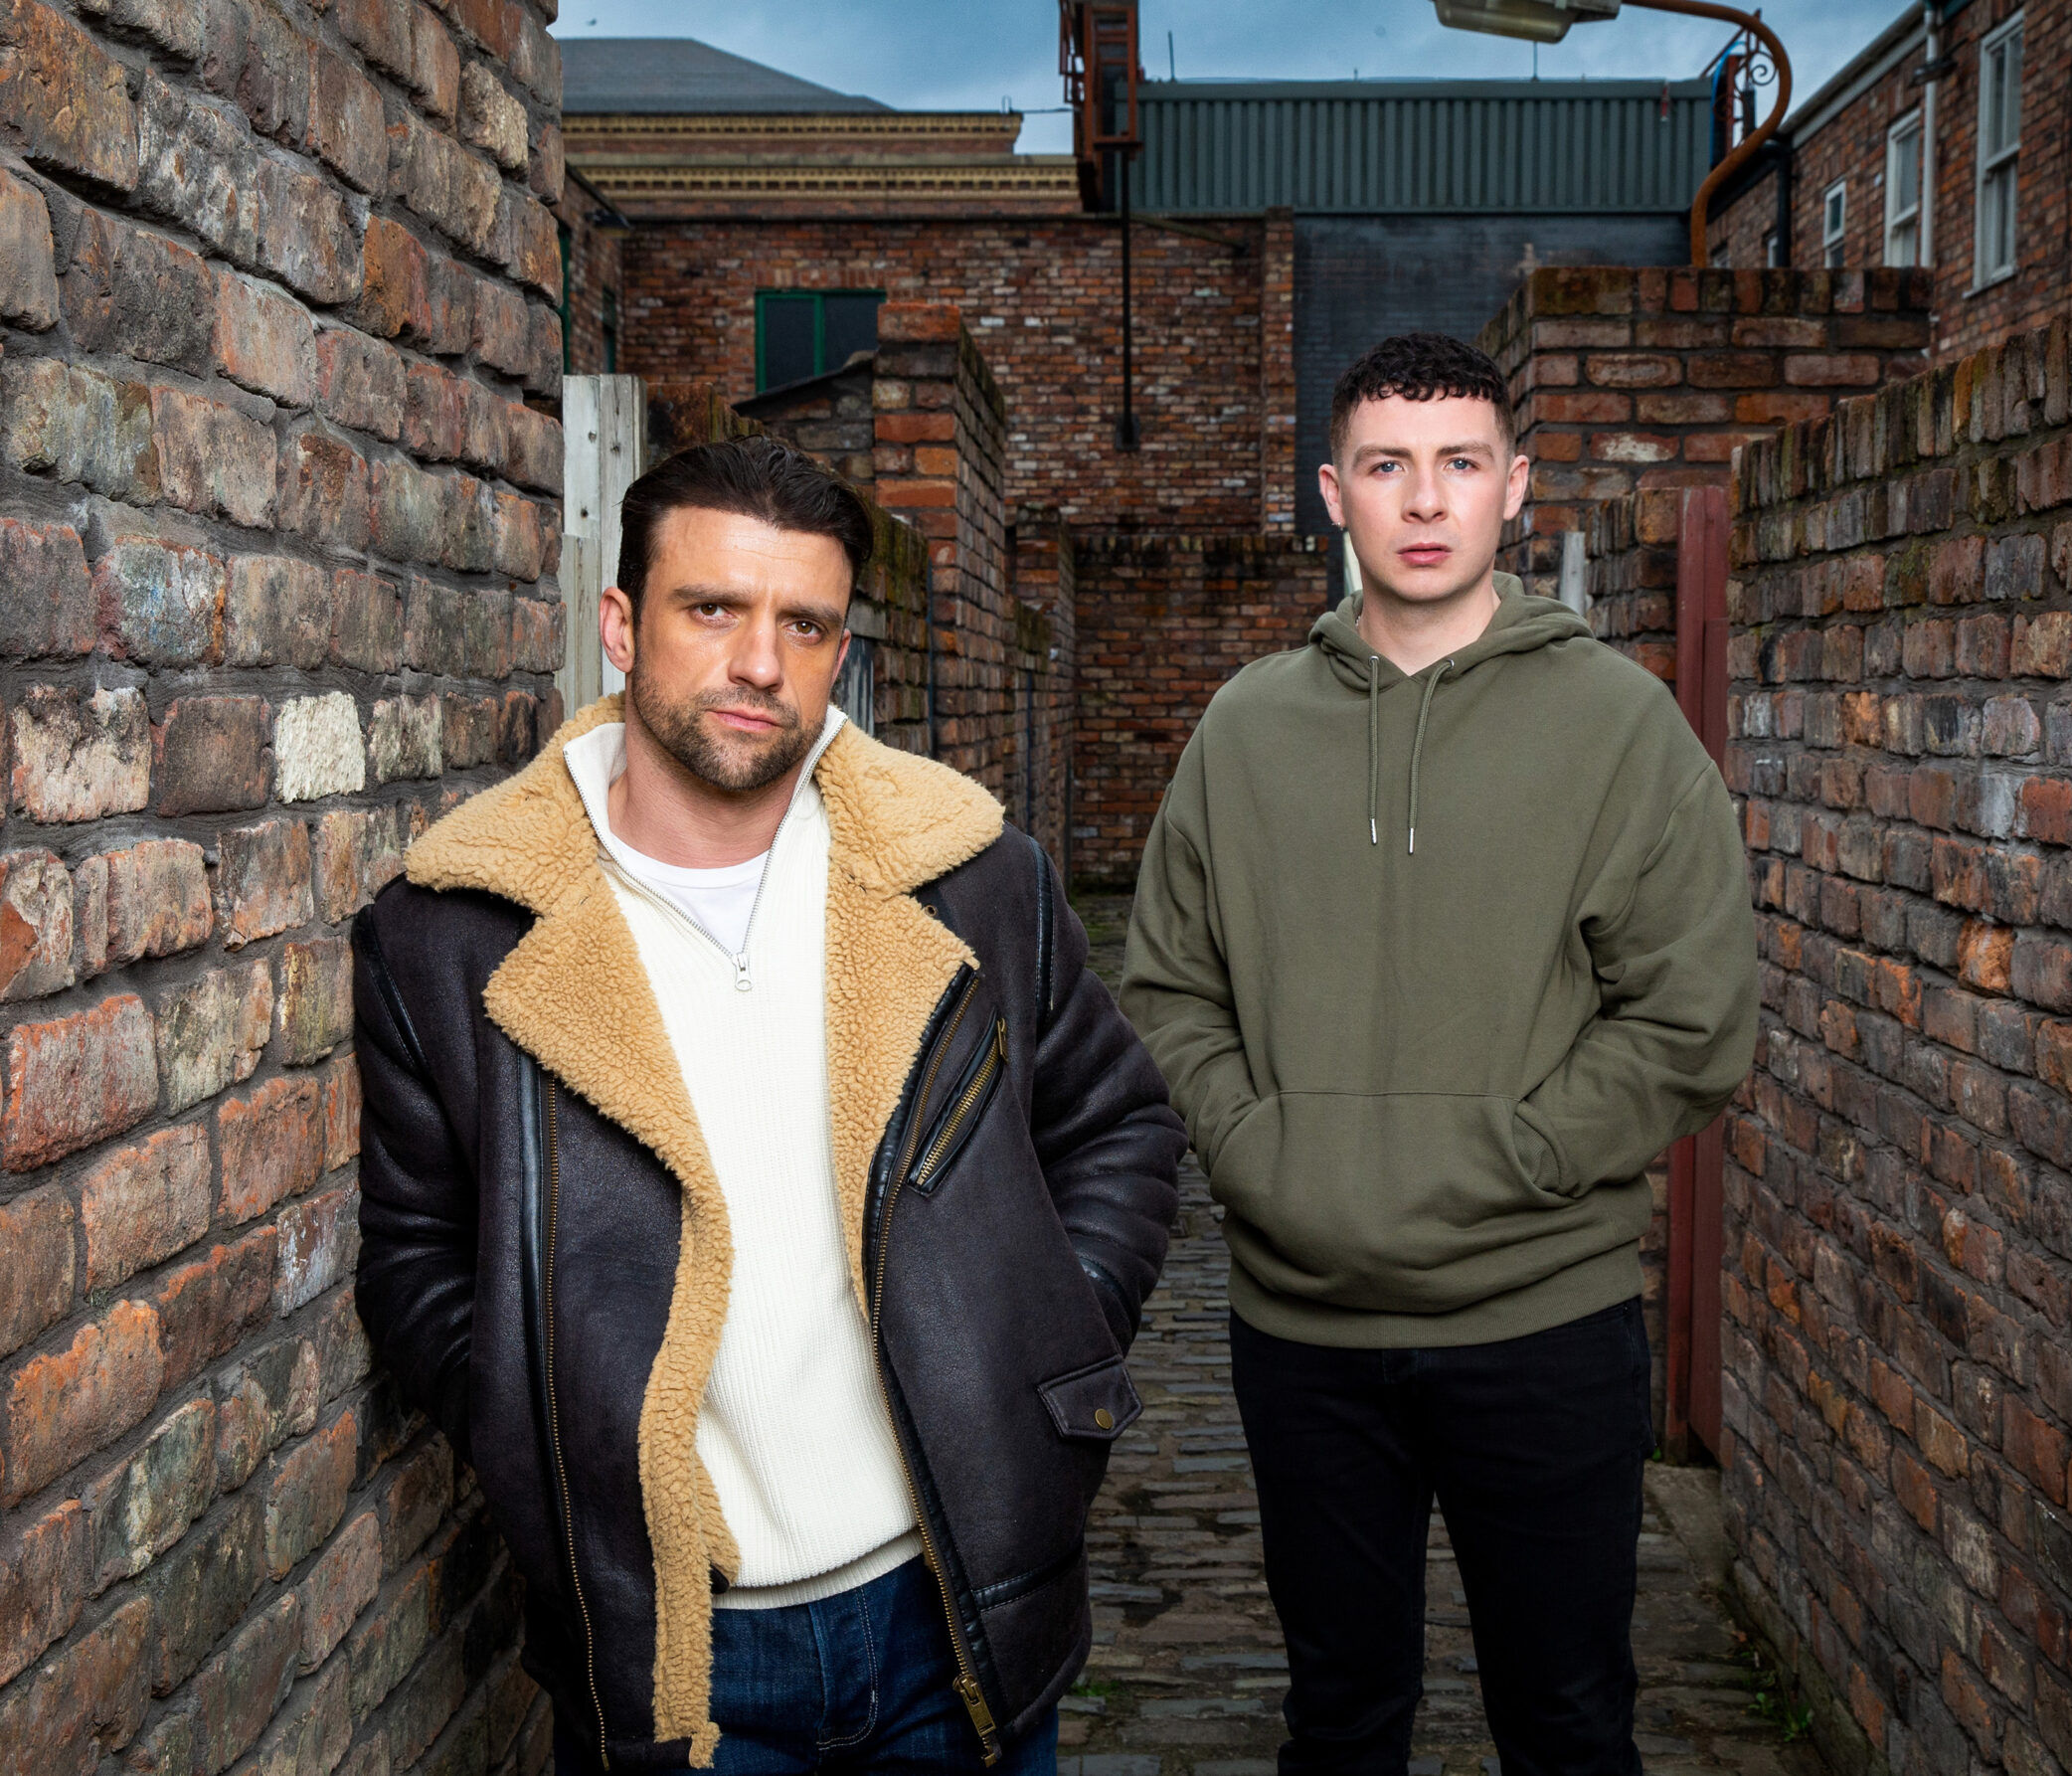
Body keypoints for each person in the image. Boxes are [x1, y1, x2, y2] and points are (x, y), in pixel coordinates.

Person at [353, 436, 1185, 1775]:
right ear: (620, 626)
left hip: (951, 1613)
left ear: (840, 654)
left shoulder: (966, 879)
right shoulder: (452, 934)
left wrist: (1040, 1333)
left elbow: (1120, 1126)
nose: (759, 662)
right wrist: (548, 1426)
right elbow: (414, 1253)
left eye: (804, 623)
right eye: (713, 608)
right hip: (677, 1651)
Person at [1120, 331, 1759, 1776]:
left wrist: (1521, 1153)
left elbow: (1695, 1011)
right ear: (1332, 491)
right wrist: (1262, 1145)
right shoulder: (1243, 730)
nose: (1424, 500)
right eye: (1388, 466)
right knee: (1340, 1722)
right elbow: (1167, 983)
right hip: (1305, 1333)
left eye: (1459, 465)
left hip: (1542, 1321)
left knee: (1569, 1724)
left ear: (1512, 489)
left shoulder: (1616, 726)